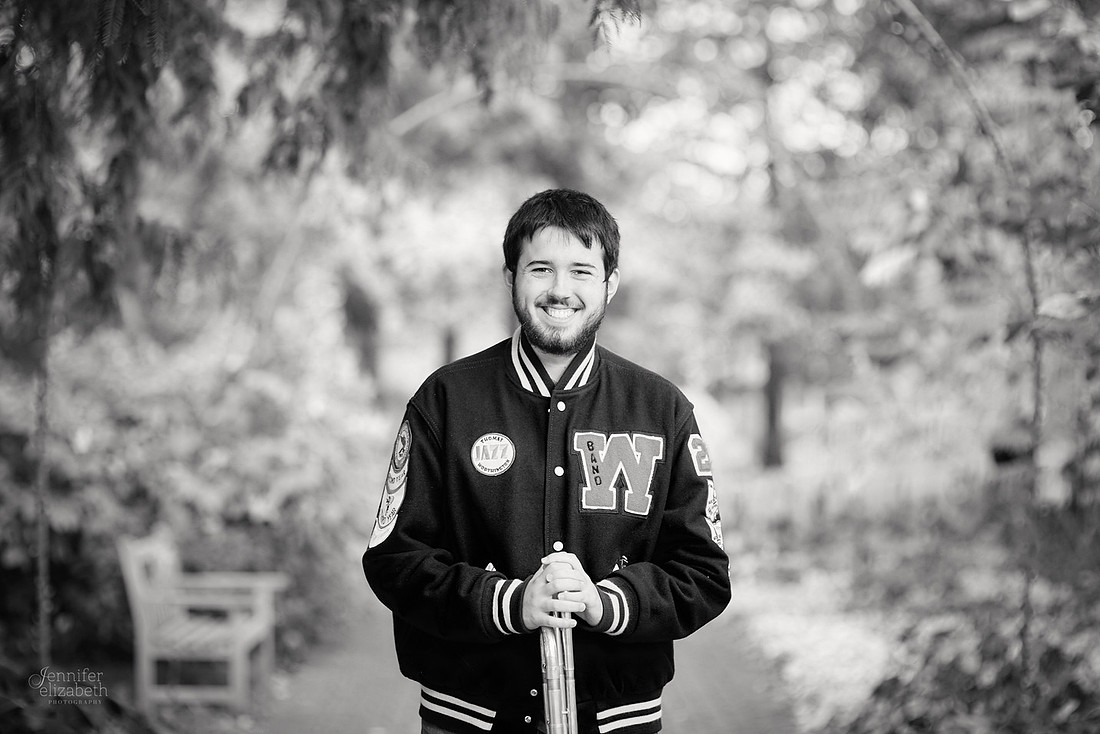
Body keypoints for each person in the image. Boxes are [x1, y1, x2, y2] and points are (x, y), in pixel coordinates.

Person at [362, 188, 731, 734]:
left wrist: (608, 603)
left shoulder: (662, 409)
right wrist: (508, 603)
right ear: (510, 277)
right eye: (541, 269)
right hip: (468, 717)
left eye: (582, 270)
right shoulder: (444, 400)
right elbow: (394, 558)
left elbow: (705, 574)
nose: (561, 290)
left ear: (611, 283)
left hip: (618, 719)